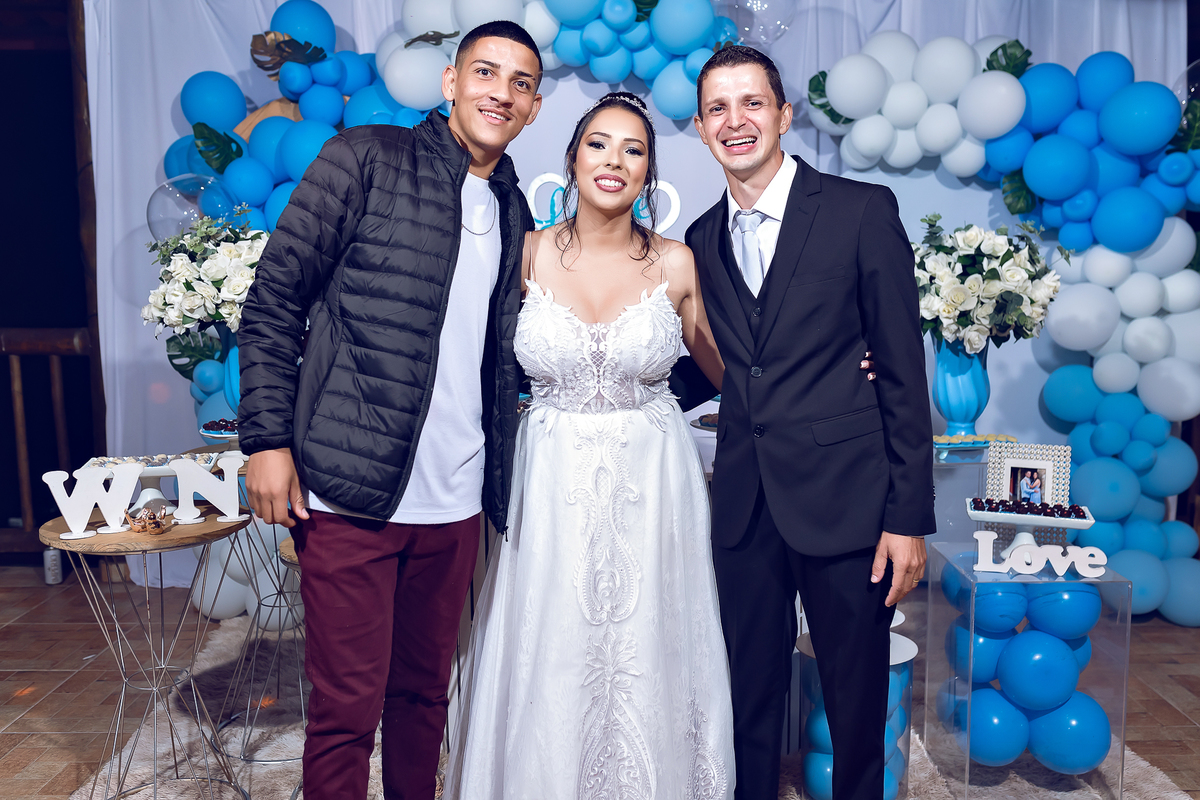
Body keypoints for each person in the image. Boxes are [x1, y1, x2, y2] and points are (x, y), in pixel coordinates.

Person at [236, 21, 543, 800]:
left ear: (534, 107)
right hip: (351, 494)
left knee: (423, 699)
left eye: (520, 82)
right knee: (346, 710)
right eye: (485, 72)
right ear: (450, 83)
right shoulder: (365, 158)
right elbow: (274, 302)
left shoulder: (512, 207)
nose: (500, 93)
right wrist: (266, 440)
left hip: (456, 502)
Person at [444, 91, 736, 799]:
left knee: (649, 639)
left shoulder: (677, 263)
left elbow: (735, 371)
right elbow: (464, 352)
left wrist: (842, 370)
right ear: (573, 159)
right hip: (550, 477)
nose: (615, 160)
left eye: (634, 150)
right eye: (599, 144)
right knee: (553, 637)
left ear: (648, 172)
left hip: (653, 479)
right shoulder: (524, 253)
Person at [684, 45, 936, 800]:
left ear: (783, 115)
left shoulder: (861, 210)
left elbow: (901, 373)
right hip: (745, 504)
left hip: (847, 498)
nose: (736, 121)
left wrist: (908, 518)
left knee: (855, 701)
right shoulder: (699, 238)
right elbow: (712, 361)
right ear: (700, 126)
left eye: (752, 103)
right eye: (718, 108)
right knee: (748, 696)